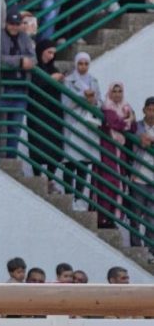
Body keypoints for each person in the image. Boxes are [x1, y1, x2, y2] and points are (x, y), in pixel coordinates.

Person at [63, 52, 102, 210]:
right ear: (76, 64)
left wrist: (93, 100)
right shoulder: (68, 81)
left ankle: (79, 197)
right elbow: (66, 103)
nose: (83, 67)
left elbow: (99, 102)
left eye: (86, 63)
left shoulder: (94, 81)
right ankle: (68, 195)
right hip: (73, 123)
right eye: (80, 63)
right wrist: (82, 97)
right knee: (70, 161)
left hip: (87, 125)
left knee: (84, 162)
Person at [96, 82, 136, 229]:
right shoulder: (107, 107)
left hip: (121, 152)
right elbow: (115, 123)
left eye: (120, 91)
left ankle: (112, 217)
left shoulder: (126, 107)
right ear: (110, 93)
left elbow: (133, 128)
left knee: (119, 183)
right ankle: (103, 217)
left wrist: (127, 121)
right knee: (109, 182)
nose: (117, 94)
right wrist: (128, 121)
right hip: (108, 148)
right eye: (115, 91)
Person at [30, 39, 64, 191]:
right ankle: (37, 177)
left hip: (53, 112)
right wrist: (50, 79)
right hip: (37, 113)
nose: (51, 56)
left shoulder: (54, 69)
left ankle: (50, 179)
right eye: (48, 52)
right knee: (37, 145)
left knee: (54, 147)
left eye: (53, 53)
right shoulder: (35, 68)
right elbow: (35, 85)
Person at [0, 11, 36, 158]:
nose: (14, 27)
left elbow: (33, 59)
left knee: (15, 128)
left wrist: (26, 61)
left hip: (20, 88)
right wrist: (20, 61)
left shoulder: (25, 37)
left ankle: (10, 158)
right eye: (11, 24)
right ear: (6, 23)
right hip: (2, 88)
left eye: (17, 24)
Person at [130, 97, 154, 249]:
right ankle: (136, 247)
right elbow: (138, 139)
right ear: (144, 110)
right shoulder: (136, 126)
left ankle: (150, 249)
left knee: (152, 218)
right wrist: (143, 139)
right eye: (149, 109)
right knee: (136, 215)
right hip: (138, 177)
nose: (152, 113)